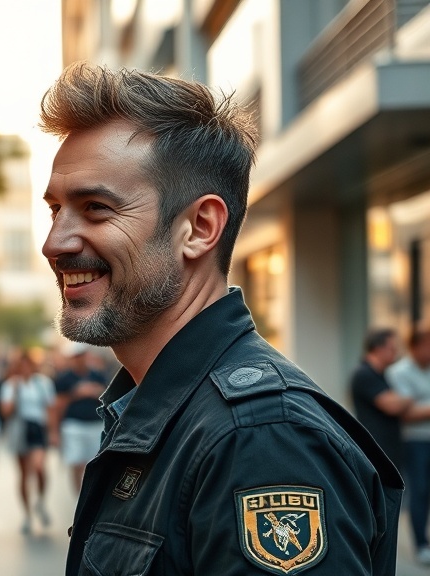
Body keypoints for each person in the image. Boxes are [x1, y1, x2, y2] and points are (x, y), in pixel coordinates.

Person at [39, 63, 403, 575]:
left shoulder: (261, 439)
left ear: (200, 227)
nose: (54, 242)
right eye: (55, 209)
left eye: (96, 208)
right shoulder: (162, 409)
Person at [0, 350, 56, 534]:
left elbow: (50, 408)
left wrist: (53, 431)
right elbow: (5, 412)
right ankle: (27, 513)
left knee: (38, 467)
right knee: (23, 473)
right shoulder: (10, 385)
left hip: (37, 429)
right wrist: (15, 391)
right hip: (19, 429)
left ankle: (40, 501)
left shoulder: (43, 383)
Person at [386, 324, 430, 564]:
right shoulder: (399, 372)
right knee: (420, 491)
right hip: (415, 441)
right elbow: (405, 413)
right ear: (414, 346)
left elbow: (416, 408)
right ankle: (421, 545)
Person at [350, 328, 408, 470]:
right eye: (392, 348)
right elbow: (392, 406)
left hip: (387, 447)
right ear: (378, 349)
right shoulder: (364, 373)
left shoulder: (381, 374)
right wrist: (410, 399)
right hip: (376, 448)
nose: (396, 353)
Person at [52, 345, 107, 491]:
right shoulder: (64, 378)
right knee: (77, 462)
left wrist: (95, 391)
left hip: (95, 424)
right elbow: (57, 405)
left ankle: (89, 493)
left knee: (94, 462)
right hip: (73, 424)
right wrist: (54, 431)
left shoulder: (97, 375)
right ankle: (78, 494)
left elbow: (108, 396)